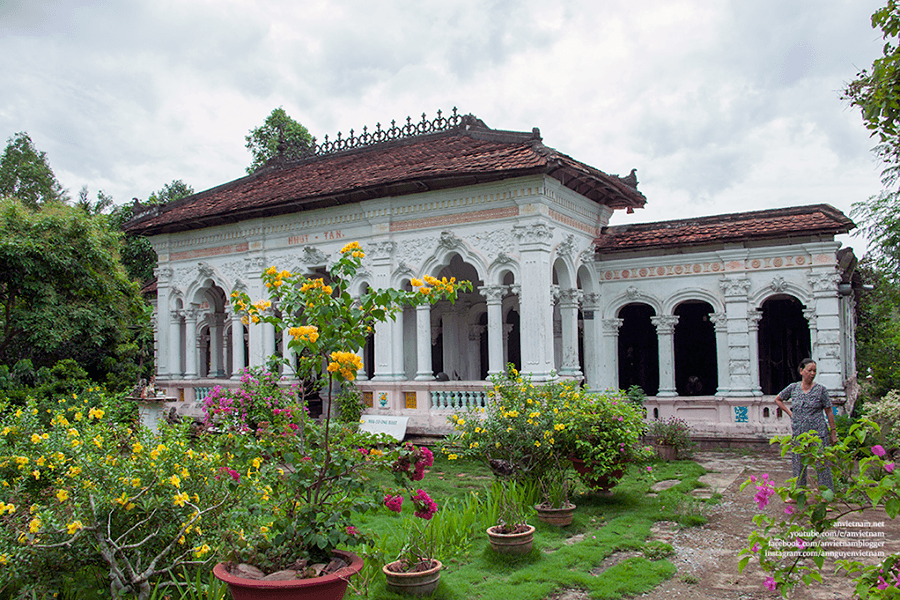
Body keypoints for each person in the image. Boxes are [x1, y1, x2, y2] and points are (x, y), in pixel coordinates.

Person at [773, 358, 838, 496]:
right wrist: (790, 413)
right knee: (798, 465)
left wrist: (833, 432)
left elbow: (829, 411)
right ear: (801, 371)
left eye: (814, 371)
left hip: (818, 433)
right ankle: (798, 495)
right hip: (799, 432)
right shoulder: (793, 388)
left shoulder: (821, 390)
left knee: (822, 465)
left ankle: (827, 497)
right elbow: (778, 399)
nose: (812, 373)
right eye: (809, 370)